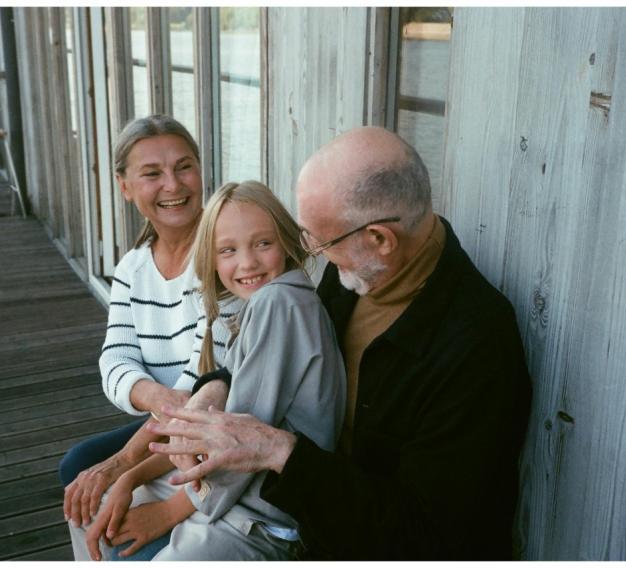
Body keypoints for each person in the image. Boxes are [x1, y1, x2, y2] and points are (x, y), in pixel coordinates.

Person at [148, 126, 533, 560]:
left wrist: (281, 453)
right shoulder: (356, 272)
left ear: (380, 239)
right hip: (287, 506)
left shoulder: (476, 346)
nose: (310, 251)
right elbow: (284, 360)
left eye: (320, 239)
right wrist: (215, 385)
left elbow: (426, 536)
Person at [70, 180, 346, 560]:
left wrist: (164, 514)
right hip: (224, 493)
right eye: (228, 250)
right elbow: (205, 427)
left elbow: (237, 447)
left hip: (259, 517)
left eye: (263, 243)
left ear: (286, 241)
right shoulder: (255, 306)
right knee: (94, 507)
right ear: (212, 261)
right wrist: (130, 476)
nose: (247, 262)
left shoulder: (280, 304)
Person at [59, 115, 236, 558]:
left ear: (201, 171)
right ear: (125, 186)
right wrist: (155, 397)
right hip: (169, 424)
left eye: (184, 166)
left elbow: (198, 389)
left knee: (101, 478)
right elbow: (115, 361)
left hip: (218, 424)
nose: (173, 185)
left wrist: (123, 465)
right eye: (152, 174)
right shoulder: (133, 268)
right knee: (78, 466)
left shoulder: (227, 259)